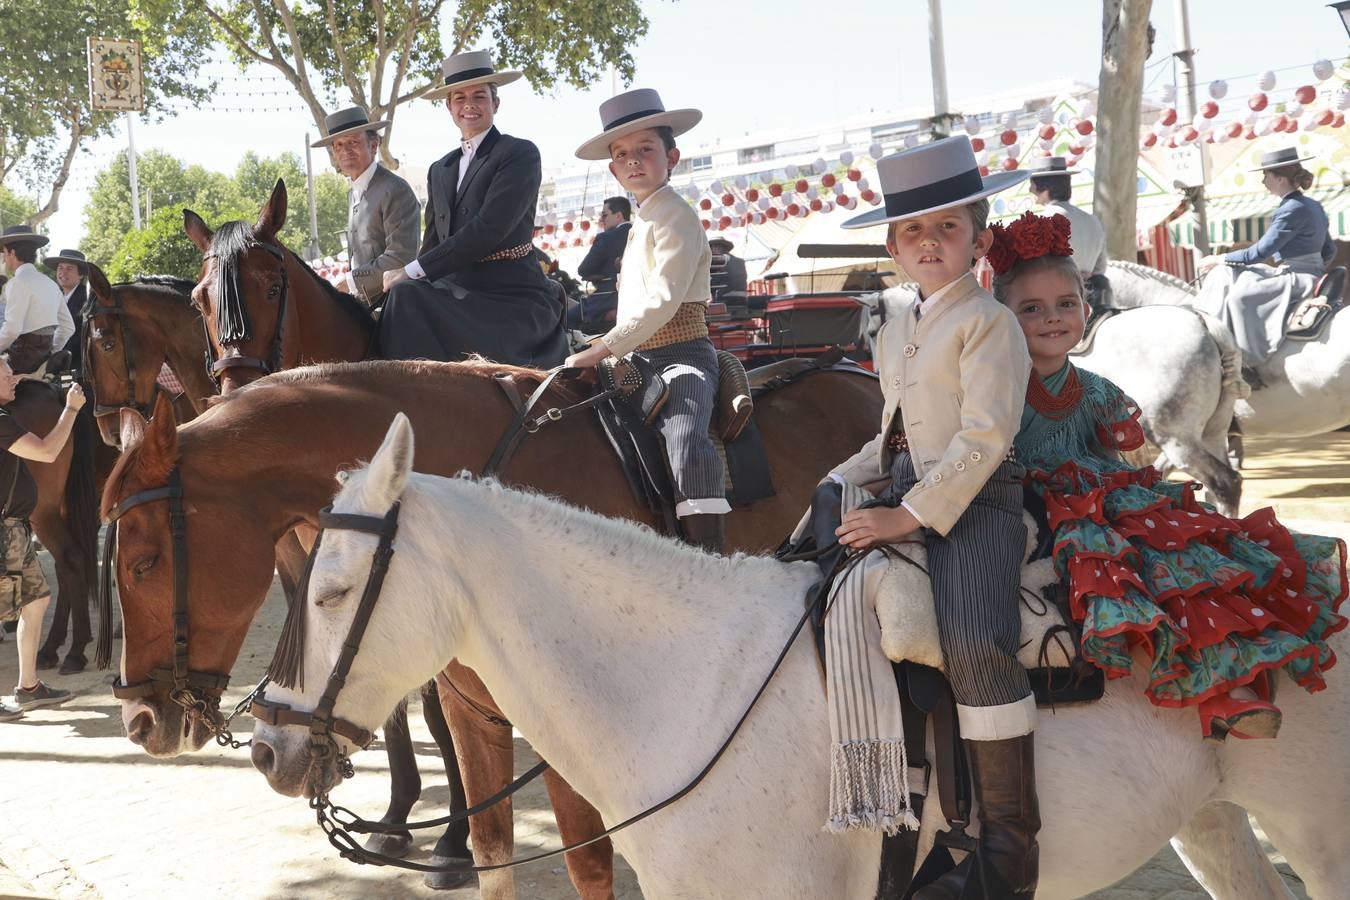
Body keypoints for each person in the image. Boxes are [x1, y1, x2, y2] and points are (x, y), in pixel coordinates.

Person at [989, 210, 1347, 742]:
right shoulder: (997, 388)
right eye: (1031, 308)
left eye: (1066, 304)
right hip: (1043, 501)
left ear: (1086, 308)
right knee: (1114, 564)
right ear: (1004, 317)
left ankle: (1228, 691)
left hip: (1099, 495)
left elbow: (1119, 453)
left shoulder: (1097, 388)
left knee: (1184, 561)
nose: (1052, 318)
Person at [828, 136, 1038, 899]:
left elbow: (984, 437)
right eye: (912, 231)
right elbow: (892, 430)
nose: (928, 242)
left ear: (978, 239)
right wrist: (842, 479)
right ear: (891, 246)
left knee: (977, 642)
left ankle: (1010, 848)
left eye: (946, 227)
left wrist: (907, 518)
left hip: (974, 499)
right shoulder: (903, 322)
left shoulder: (989, 321)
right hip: (908, 487)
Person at [568, 88, 727, 552]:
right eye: (622, 155)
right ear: (614, 170)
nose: (633, 161)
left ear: (671, 156)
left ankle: (708, 556)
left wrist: (600, 349)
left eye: (645, 150)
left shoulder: (676, 215)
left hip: (682, 355)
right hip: (637, 355)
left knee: (684, 431)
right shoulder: (640, 220)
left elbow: (661, 302)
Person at [378, 50, 568, 367]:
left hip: (509, 294)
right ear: (449, 107)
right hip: (455, 293)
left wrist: (409, 272)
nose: (469, 105)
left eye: (479, 96)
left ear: (495, 103)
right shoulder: (440, 169)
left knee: (405, 295)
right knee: (399, 299)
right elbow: (433, 243)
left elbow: (488, 229)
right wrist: (409, 279)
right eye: (460, 98)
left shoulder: (518, 153)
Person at [1196, 147, 1337, 367]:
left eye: (1266, 175)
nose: (1264, 181)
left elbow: (1260, 253)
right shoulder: (1313, 205)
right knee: (1238, 277)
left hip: (1297, 277)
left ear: (1280, 178)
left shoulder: (1291, 209)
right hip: (1308, 274)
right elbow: (1330, 250)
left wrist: (1218, 259)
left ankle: (1248, 363)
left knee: (1238, 299)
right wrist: (1316, 270)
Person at [0, 363, 84, 720]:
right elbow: (48, 451)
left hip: (15, 528)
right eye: (5, 374)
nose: (13, 379)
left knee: (37, 601)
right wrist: (72, 409)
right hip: (4, 531)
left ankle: (29, 686)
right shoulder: (1, 422)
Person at [312, 107, 420, 307]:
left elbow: (401, 257)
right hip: (363, 305)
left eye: (353, 142)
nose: (345, 150)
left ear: (374, 145)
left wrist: (349, 282)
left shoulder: (395, 189)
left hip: (394, 307)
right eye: (339, 145)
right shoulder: (352, 192)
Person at [1026, 156, 1108, 313]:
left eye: (1033, 184)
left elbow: (1034, 267)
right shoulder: (1093, 220)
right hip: (1086, 301)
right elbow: (1100, 268)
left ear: (1045, 187)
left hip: (1051, 303)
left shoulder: (1043, 220)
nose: (1030, 190)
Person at [0, 227, 76, 375]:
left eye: (5, 252)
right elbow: (68, 327)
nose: (4, 258)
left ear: (12, 253)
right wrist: (50, 352)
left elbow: (12, 330)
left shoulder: (16, 283)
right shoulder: (51, 284)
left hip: (20, 360)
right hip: (43, 361)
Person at [569, 196, 632, 331]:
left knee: (566, 319)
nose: (602, 220)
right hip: (635, 297)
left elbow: (583, 270)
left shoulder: (607, 238)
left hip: (607, 299)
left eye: (604, 215)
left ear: (619, 215)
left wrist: (598, 275)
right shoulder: (639, 233)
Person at [43, 248, 87, 373]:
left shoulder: (85, 298)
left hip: (77, 367)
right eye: (60, 268)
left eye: (69, 268)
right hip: (62, 364)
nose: (63, 272)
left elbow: (76, 336)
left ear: (81, 274)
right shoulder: (59, 297)